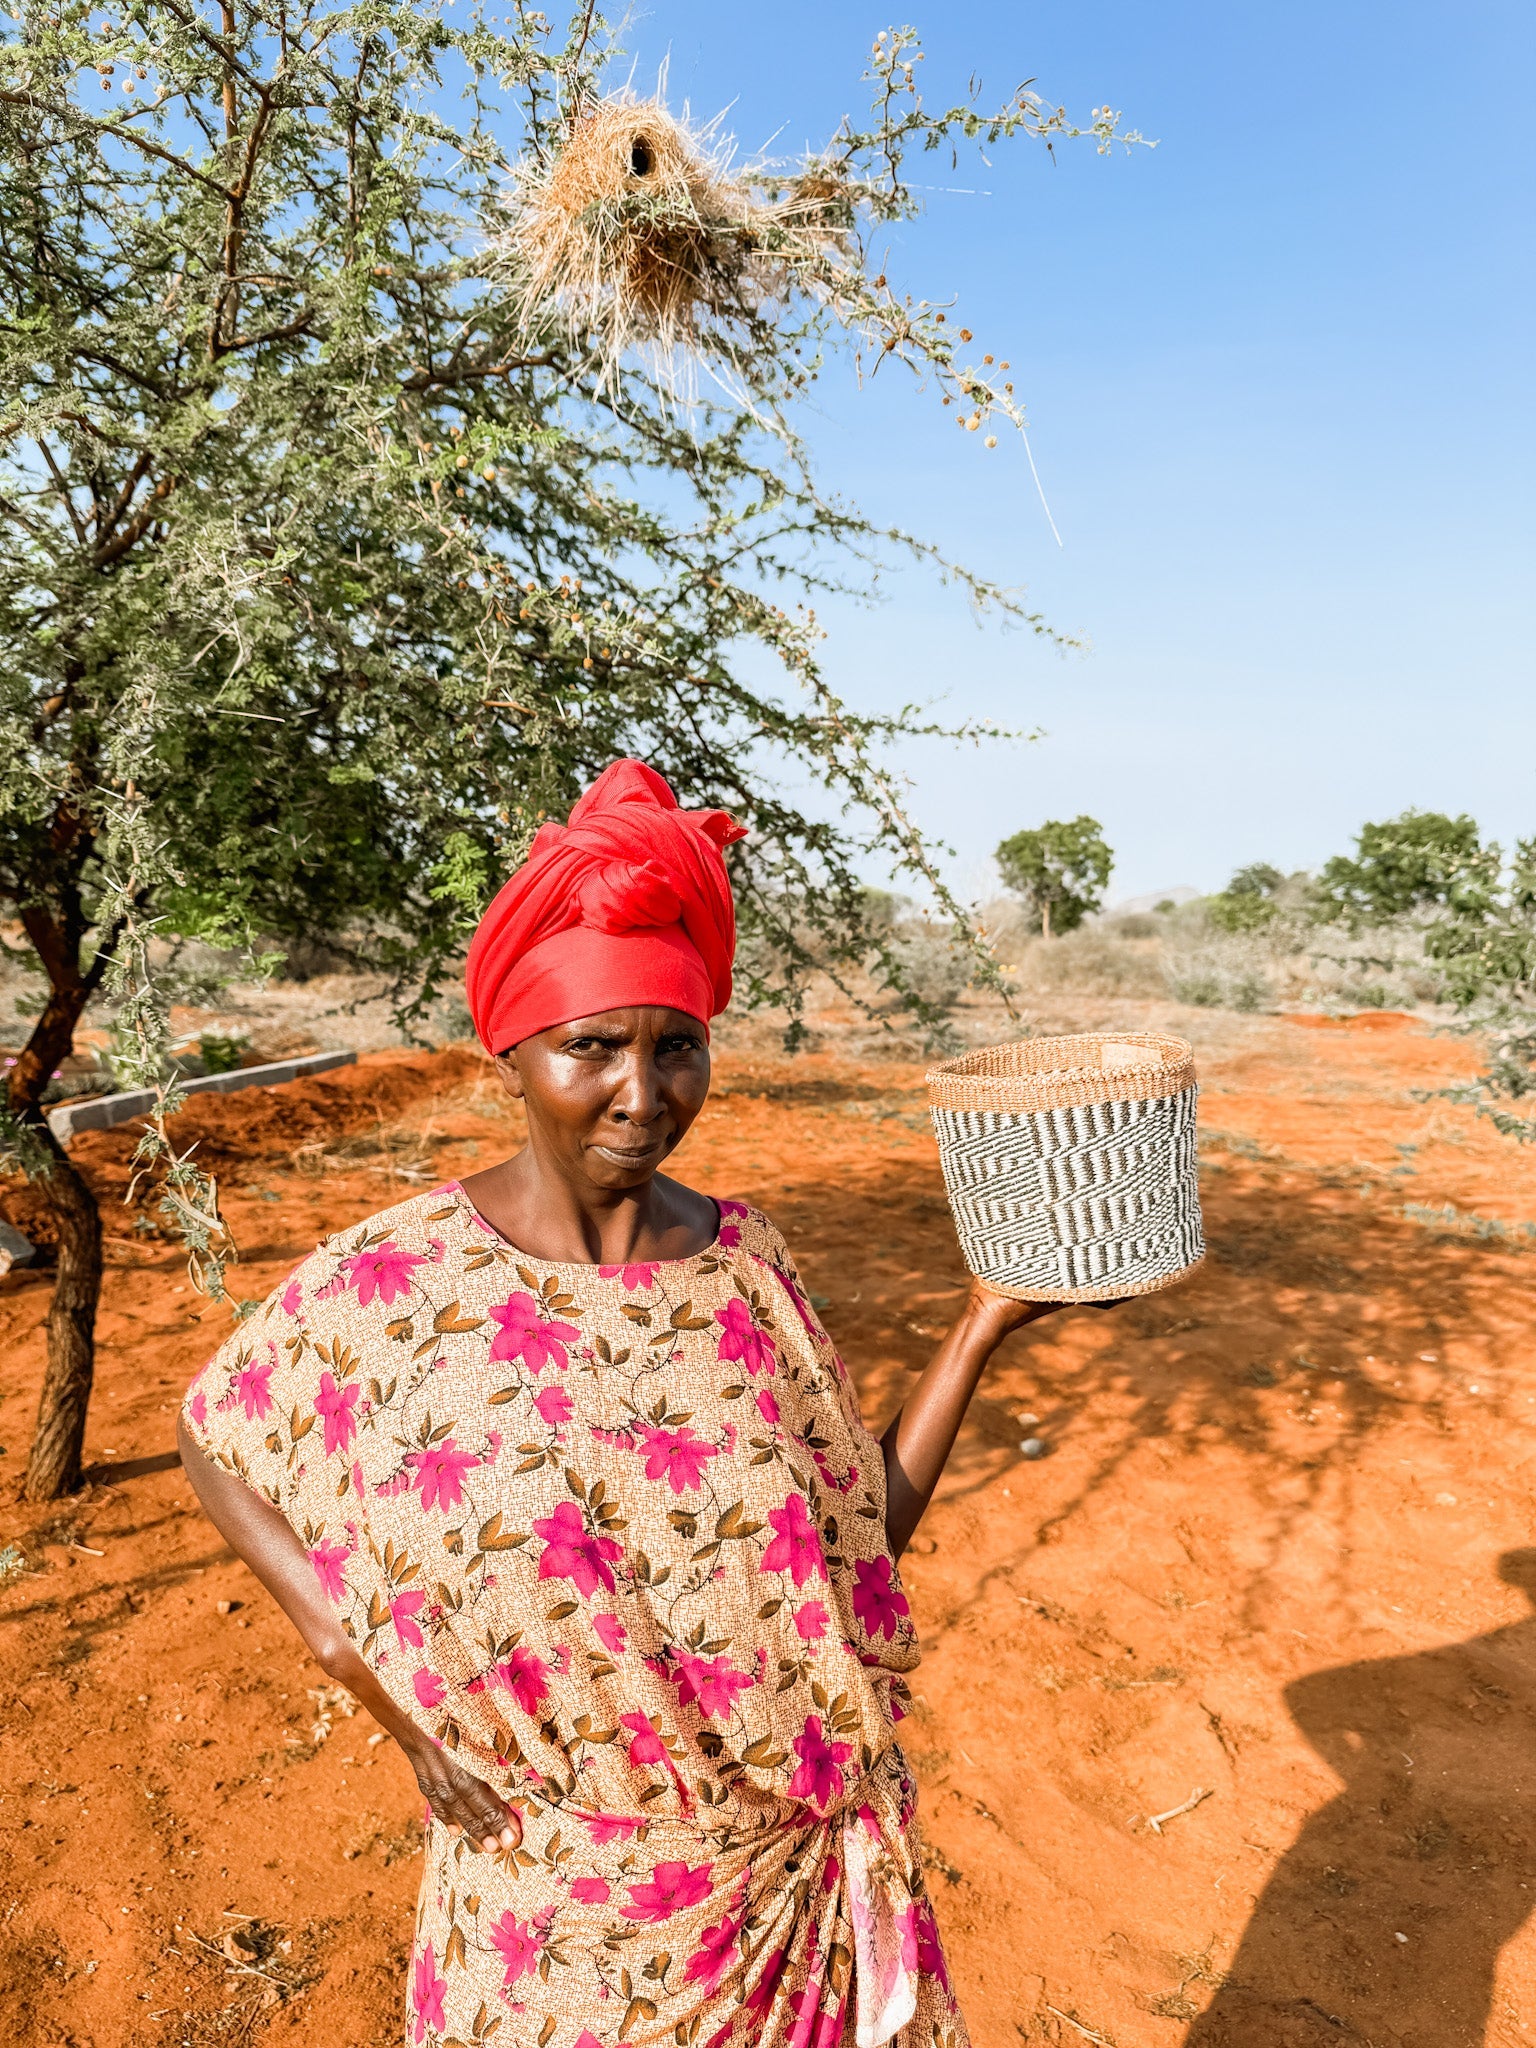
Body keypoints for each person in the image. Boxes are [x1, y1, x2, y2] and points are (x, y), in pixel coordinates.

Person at [178, 759, 1085, 2048]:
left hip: (785, 1894)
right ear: (513, 1052)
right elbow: (215, 1433)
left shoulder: (745, 1267)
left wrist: (983, 1323)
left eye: (679, 1048)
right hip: (547, 1904)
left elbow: (859, 1526)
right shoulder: (393, 1283)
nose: (643, 1095)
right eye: (591, 1046)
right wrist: (349, 1650)